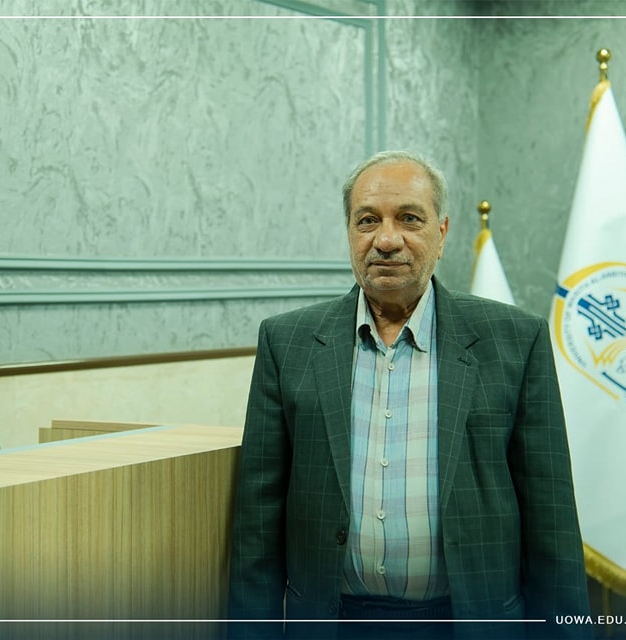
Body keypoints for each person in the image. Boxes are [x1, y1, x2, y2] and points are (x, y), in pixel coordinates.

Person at [228, 150, 591, 639]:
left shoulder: (514, 341)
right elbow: (257, 526)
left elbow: (552, 524)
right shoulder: (287, 343)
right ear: (349, 232)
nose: (386, 239)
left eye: (409, 219)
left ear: (441, 233)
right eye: (367, 221)